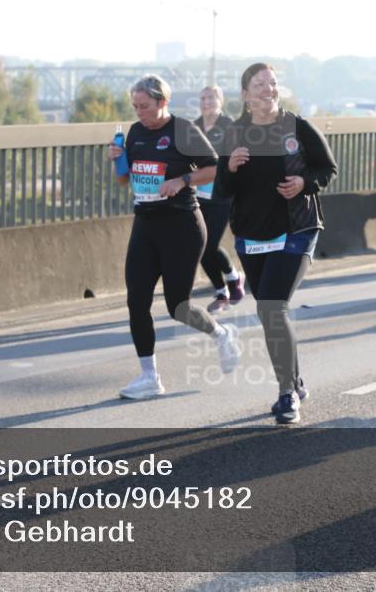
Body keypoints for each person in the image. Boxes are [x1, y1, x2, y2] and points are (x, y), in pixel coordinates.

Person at [217, 63, 337, 424]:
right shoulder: (235, 133)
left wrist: (304, 184)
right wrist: (231, 168)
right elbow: (222, 190)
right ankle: (295, 380)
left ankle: (287, 395)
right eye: (259, 84)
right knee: (271, 311)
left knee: (271, 307)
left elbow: (327, 169)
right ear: (245, 95)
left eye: (271, 83)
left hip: (297, 229)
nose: (268, 89)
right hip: (252, 235)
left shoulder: (296, 127)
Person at [109, 75, 241, 400]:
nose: (139, 112)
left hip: (182, 225)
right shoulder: (137, 132)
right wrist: (117, 162)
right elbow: (126, 182)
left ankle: (221, 334)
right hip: (146, 223)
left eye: (145, 106)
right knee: (136, 301)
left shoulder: (181, 130)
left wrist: (182, 179)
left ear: (162, 102)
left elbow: (214, 168)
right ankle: (149, 376)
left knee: (178, 306)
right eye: (135, 106)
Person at [193, 86, 245, 312]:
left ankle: (233, 280)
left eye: (212, 98)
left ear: (220, 101)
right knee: (199, 246)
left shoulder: (230, 127)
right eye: (203, 98)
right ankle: (222, 292)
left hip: (223, 195)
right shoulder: (192, 127)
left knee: (209, 244)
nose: (207, 102)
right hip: (198, 196)